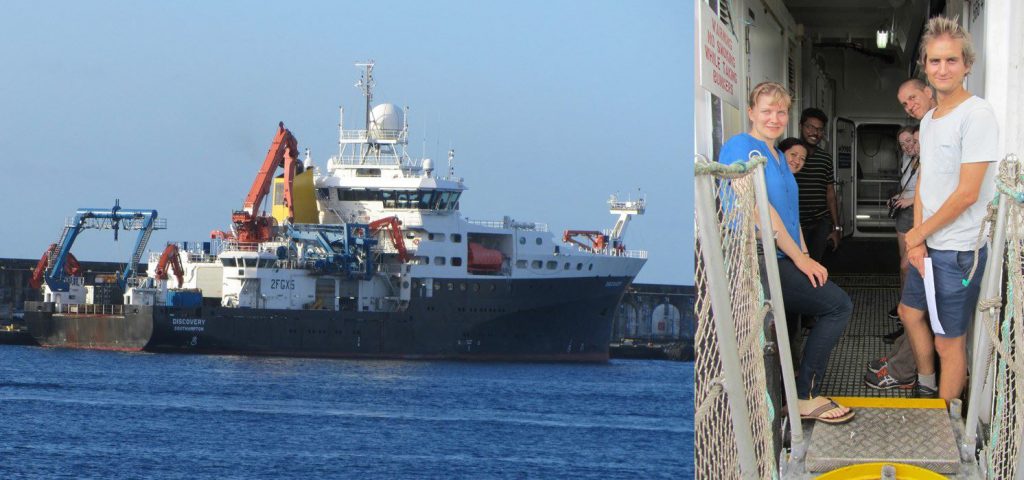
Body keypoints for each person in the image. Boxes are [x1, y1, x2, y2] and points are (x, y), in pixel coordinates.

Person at [719, 81, 854, 423]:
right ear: (751, 112)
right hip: (757, 259)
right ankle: (804, 396)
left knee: (788, 331)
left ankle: (785, 399)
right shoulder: (741, 146)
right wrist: (800, 258)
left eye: (781, 112)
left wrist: (807, 257)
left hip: (782, 255)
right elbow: (758, 209)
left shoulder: (779, 155)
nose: (774, 118)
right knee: (838, 306)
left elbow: (790, 216)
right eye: (766, 110)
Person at [900, 16, 999, 401]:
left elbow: (966, 194)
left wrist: (918, 234)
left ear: (967, 65)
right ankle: (927, 387)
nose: (943, 69)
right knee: (910, 313)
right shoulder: (929, 119)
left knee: (949, 344)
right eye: (935, 61)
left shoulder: (977, 115)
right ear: (925, 65)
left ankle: (944, 426)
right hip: (929, 244)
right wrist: (917, 241)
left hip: (958, 252)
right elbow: (927, 181)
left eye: (951, 61)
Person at [866, 80, 938, 391]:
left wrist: (919, 237)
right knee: (911, 308)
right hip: (926, 236)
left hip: (940, 242)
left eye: (913, 98)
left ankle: (910, 374)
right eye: (904, 102)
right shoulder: (932, 133)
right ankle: (902, 362)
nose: (911, 146)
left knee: (918, 311)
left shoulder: (941, 135)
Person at [795, 108, 842, 262]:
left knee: (816, 264)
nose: (815, 133)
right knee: (796, 265)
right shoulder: (789, 155)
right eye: (810, 127)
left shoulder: (826, 159)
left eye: (819, 129)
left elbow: (830, 193)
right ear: (801, 126)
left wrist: (836, 228)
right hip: (795, 224)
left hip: (820, 223)